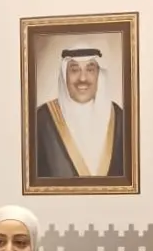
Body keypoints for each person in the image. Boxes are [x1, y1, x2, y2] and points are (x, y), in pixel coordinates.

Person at [34, 45, 127, 179]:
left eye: (90, 69)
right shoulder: (41, 120)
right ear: (65, 75)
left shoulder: (120, 118)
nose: (83, 78)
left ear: (99, 74)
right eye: (74, 70)